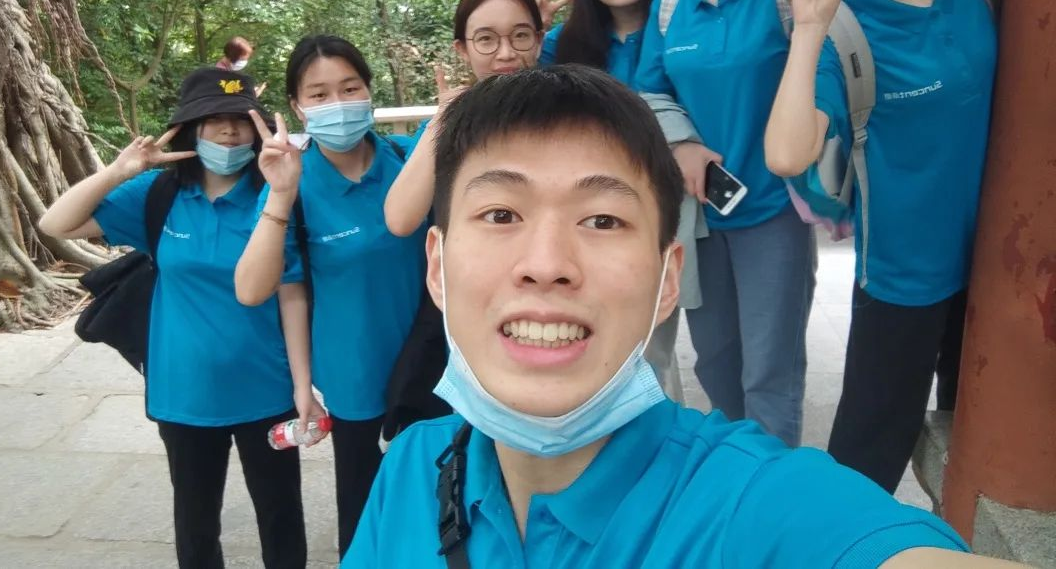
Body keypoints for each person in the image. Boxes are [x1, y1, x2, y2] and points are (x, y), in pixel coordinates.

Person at [342, 66, 1026, 568]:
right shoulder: (411, 469)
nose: (546, 264)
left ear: (668, 278)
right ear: (437, 265)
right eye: (500, 214)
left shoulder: (751, 507)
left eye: (602, 219)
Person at [764, 0, 1007, 492]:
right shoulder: (842, 28)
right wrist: (808, 25)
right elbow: (786, 153)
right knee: (863, 471)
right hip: (904, 277)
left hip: (1000, 268)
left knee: (982, 452)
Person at [40, 68, 309, 569]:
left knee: (281, 516)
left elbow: (291, 294)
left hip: (265, 387)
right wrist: (118, 172)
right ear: (190, 128)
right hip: (183, 391)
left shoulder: (275, 193)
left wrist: (301, 385)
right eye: (212, 118)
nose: (229, 130)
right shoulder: (158, 195)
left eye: (240, 119)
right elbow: (55, 223)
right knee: (195, 520)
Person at [635, 0, 816, 446]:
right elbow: (648, 92)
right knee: (713, 360)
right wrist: (682, 144)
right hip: (700, 214)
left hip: (775, 211)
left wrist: (803, 4)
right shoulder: (670, 5)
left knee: (770, 369)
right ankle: (739, 463)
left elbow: (823, 71)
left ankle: (771, 486)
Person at [233, 35, 427, 559]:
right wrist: (303, 388)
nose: (337, 104)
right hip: (355, 377)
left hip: (432, 370)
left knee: (433, 504)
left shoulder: (407, 160)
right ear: (297, 107)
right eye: (319, 95)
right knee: (364, 517)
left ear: (369, 91)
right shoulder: (293, 182)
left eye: (350, 88)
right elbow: (267, 291)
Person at [540, 0, 686, 403]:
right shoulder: (563, 44)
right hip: (589, 212)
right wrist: (531, 31)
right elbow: (523, 101)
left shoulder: (680, 29)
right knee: (599, 331)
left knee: (655, 336)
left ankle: (654, 428)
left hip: (668, 205)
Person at [384, 0, 544, 238]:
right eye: (486, 39)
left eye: (520, 35)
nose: (506, 53)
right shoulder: (445, 126)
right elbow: (401, 220)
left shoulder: (567, 117)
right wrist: (443, 122)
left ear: (538, 41)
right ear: (462, 49)